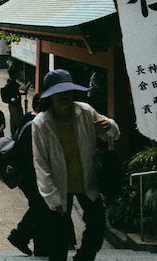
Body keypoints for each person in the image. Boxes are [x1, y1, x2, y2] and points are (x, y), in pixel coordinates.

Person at [32, 69, 119, 261]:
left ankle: (82, 258)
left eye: (67, 91)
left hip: (87, 181)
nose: (64, 96)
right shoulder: (41, 124)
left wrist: (110, 125)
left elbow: (111, 132)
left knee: (97, 227)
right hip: (58, 185)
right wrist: (51, 197)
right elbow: (41, 163)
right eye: (59, 92)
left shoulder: (85, 112)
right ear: (50, 96)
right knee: (59, 238)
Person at [8, 93, 52, 257]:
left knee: (39, 208)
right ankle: (22, 237)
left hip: (26, 176)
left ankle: (24, 237)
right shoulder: (36, 125)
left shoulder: (26, 119)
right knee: (41, 208)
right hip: (32, 176)